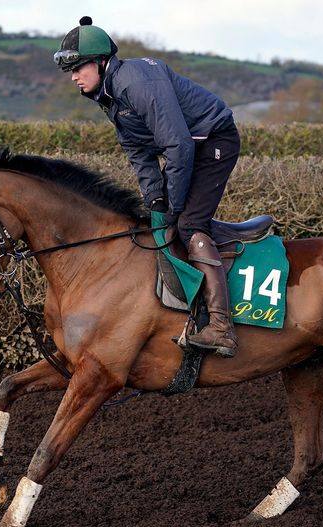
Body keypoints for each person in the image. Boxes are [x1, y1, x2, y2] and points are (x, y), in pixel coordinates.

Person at [54, 16, 240, 358]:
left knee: (188, 223)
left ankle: (221, 327)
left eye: (79, 68)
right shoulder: (108, 96)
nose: (75, 78)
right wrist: (155, 201)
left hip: (214, 141)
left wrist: (174, 207)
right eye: (71, 71)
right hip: (188, 148)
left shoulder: (135, 83)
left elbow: (178, 145)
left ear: (100, 62)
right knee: (161, 218)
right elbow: (139, 153)